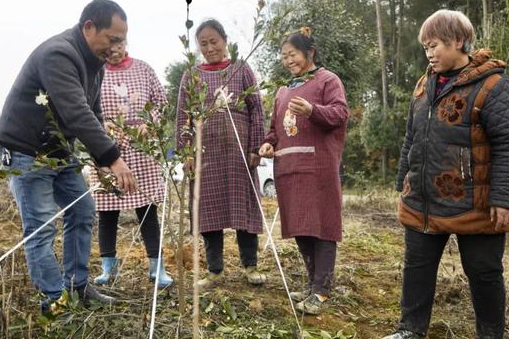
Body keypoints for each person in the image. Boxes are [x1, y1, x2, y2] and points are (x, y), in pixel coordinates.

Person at [383, 10, 509, 339]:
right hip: (423, 199)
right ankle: (410, 330)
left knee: (484, 272)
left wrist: (504, 200)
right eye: (425, 47)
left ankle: (490, 334)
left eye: (435, 45)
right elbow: (411, 138)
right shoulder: (423, 86)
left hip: (475, 202)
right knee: (416, 268)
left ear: (459, 42)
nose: (429, 53)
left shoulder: (492, 85)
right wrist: (403, 180)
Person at [0, 0, 137, 313]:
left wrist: (101, 163)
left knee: (83, 211)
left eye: (121, 41)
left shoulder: (93, 61)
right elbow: (76, 114)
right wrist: (113, 158)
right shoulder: (58, 54)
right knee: (42, 224)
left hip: (58, 151)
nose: (115, 48)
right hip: (25, 150)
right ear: (89, 27)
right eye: (112, 39)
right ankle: (54, 300)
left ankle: (77, 285)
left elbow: (94, 111)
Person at [259, 28, 349, 315]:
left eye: (293, 54)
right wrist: (267, 144)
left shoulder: (327, 80)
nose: (288, 60)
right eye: (284, 56)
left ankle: (322, 291)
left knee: (322, 227)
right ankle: (312, 284)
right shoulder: (283, 90)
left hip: (318, 168)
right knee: (301, 226)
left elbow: (340, 114)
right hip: (289, 169)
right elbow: (275, 129)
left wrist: (312, 110)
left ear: (309, 53)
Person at [175, 19, 266, 289]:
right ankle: (215, 271)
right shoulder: (191, 75)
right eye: (203, 43)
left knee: (244, 209)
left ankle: (250, 266)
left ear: (225, 41)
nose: (210, 47)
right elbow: (183, 116)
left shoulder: (241, 68)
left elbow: (257, 109)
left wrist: (255, 147)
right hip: (206, 155)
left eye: (214, 41)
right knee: (208, 211)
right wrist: (187, 152)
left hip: (238, 154)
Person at [89, 42, 173, 288]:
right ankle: (108, 269)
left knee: (147, 209)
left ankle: (157, 268)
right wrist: (102, 128)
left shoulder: (144, 69)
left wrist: (150, 122)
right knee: (107, 210)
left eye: (118, 44)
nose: (114, 50)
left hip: (141, 146)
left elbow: (161, 102)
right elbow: (85, 107)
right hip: (106, 147)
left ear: (126, 43)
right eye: (109, 45)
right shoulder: (94, 73)